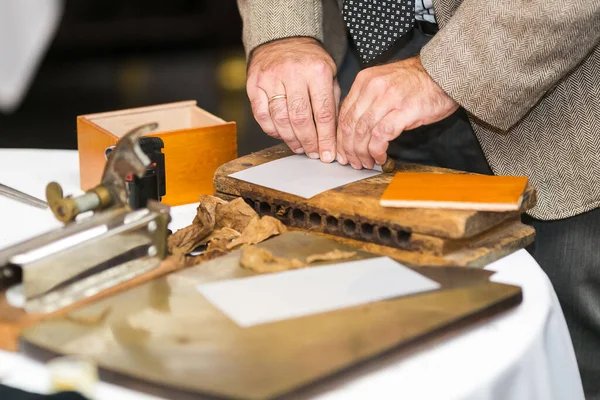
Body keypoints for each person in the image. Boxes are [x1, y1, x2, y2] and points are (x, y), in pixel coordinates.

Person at [235, 0, 600, 398]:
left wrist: (448, 72)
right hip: (350, 64)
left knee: (566, 355)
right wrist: (284, 32)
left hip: (546, 85)